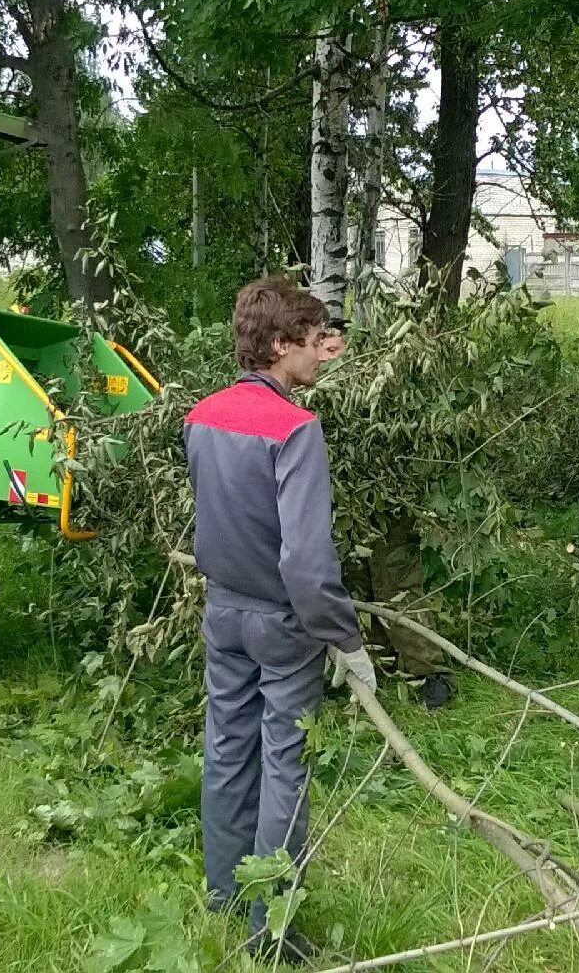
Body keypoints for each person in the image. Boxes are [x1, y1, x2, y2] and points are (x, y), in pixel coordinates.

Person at [186, 277, 374, 962]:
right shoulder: (296, 428)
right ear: (277, 345)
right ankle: (274, 928)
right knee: (285, 765)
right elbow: (306, 561)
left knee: (228, 750)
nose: (322, 355)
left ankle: (223, 893)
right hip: (281, 622)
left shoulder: (201, 415)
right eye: (311, 343)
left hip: (222, 612)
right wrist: (344, 638)